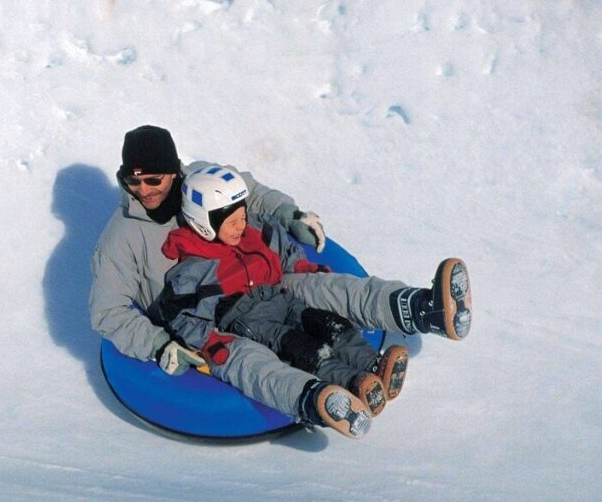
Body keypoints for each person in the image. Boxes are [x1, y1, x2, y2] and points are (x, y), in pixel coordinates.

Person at [89, 125, 472, 438]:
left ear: (174, 170)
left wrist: (289, 216)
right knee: (262, 354)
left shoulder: (201, 179)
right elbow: (108, 312)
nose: (143, 191)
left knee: (326, 289)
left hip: (260, 279)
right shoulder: (120, 240)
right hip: (211, 315)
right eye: (131, 181)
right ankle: (324, 398)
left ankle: (424, 309)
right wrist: (159, 345)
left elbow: (251, 195)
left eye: (152, 178)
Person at [147, 165, 413, 437]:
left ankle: (371, 365)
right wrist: (208, 342)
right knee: (303, 348)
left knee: (329, 324)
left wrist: (302, 267)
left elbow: (285, 252)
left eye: (243, 216)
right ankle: (352, 384)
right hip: (249, 319)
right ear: (203, 224)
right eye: (232, 221)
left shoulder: (256, 232)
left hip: (280, 298)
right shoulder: (193, 268)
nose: (241, 225)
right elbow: (179, 315)